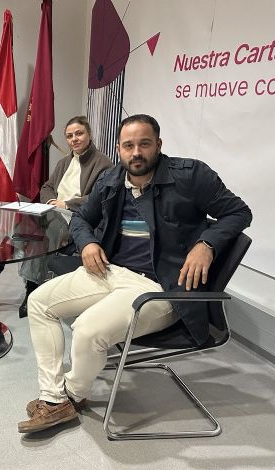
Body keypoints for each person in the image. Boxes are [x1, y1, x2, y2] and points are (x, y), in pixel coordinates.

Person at [18, 114, 252, 434]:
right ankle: (53, 396)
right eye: (128, 146)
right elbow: (82, 219)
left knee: (86, 330)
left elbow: (239, 212)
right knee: (39, 302)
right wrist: (88, 244)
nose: (136, 153)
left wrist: (207, 244)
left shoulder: (191, 175)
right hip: (110, 271)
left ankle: (67, 397)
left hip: (160, 287)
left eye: (144, 144)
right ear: (119, 149)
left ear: (158, 144)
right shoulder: (112, 179)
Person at [18, 116, 113, 318]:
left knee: (40, 234)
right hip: (54, 212)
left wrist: (66, 204)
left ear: (89, 134)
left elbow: (100, 196)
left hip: (77, 217)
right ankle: (11, 268)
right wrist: (51, 202)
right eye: (69, 136)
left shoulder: (103, 163)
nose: (74, 139)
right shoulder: (64, 162)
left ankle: (29, 288)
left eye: (79, 134)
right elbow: (47, 187)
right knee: (25, 219)